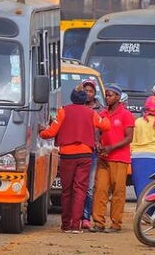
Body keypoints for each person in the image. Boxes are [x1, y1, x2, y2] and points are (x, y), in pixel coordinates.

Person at [39, 84, 110, 233]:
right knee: (80, 190)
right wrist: (105, 116)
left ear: (72, 98)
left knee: (67, 191)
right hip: (85, 155)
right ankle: (75, 225)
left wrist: (41, 132)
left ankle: (65, 224)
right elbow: (106, 126)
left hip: (67, 156)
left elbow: (51, 132)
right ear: (85, 99)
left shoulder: (63, 111)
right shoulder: (91, 113)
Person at [90, 84, 135, 233]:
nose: (107, 98)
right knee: (100, 190)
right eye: (106, 95)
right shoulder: (102, 114)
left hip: (119, 159)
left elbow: (129, 138)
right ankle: (98, 222)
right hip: (104, 158)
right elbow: (97, 131)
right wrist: (97, 142)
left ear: (117, 97)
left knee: (118, 192)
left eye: (110, 95)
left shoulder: (126, 115)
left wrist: (111, 147)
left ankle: (116, 223)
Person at [81, 79, 105, 229]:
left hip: (93, 152)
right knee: (77, 185)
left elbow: (104, 130)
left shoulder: (100, 110)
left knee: (89, 186)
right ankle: (75, 217)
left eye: (90, 91)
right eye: (85, 90)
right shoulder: (76, 107)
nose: (87, 93)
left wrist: (100, 142)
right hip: (78, 150)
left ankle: (86, 217)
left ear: (94, 93)